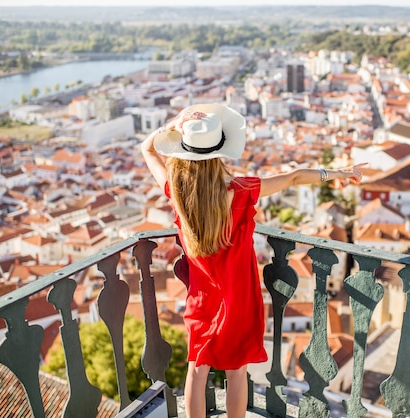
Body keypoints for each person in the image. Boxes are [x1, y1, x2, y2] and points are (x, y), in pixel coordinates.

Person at [141, 103, 364, 418]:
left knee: (197, 368)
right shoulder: (241, 191)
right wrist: (338, 173)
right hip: (240, 298)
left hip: (202, 298)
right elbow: (293, 178)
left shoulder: (177, 193)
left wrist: (174, 126)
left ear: (184, 153)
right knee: (236, 373)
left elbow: (148, 151)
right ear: (219, 153)